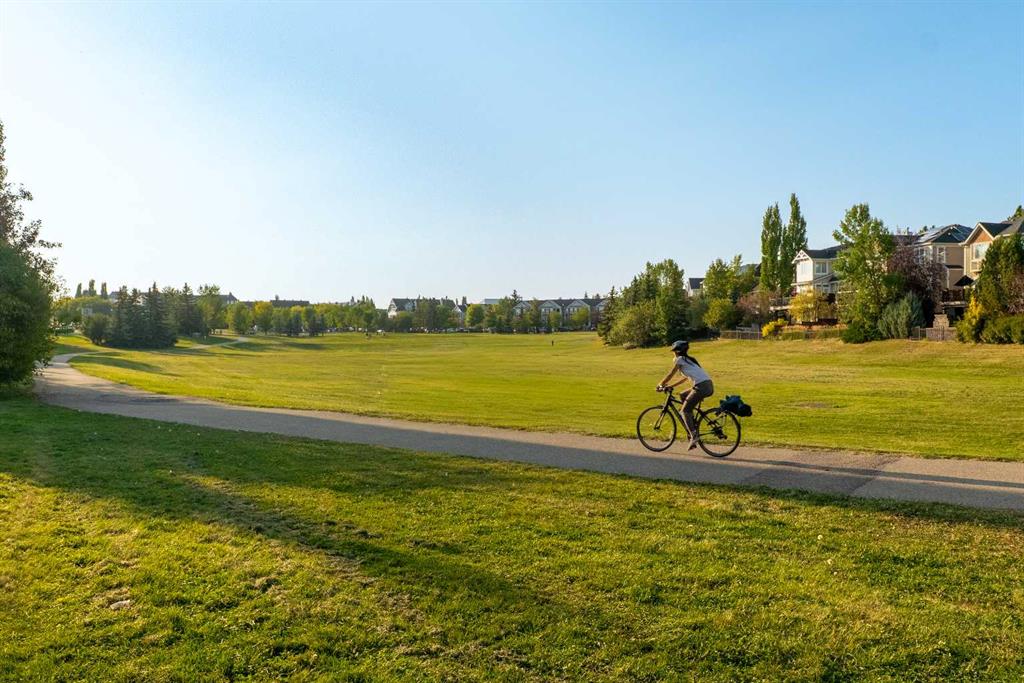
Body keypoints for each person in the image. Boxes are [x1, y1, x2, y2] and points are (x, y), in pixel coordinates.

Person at [656, 339, 714, 450]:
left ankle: (693, 435)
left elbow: (670, 374)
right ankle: (691, 422)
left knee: (684, 411)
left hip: (701, 387)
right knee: (682, 395)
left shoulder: (679, 359)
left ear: (676, 351)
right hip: (707, 385)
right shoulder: (689, 360)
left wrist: (660, 384)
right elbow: (685, 378)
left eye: (673, 351)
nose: (673, 353)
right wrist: (671, 386)